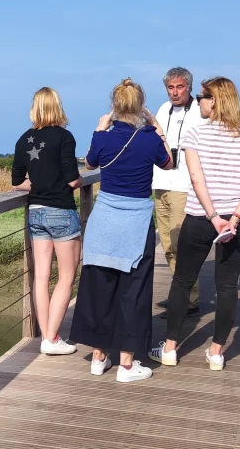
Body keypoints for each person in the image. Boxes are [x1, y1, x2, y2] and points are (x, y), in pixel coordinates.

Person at [70, 79, 173, 382]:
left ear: (114, 106)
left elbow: (89, 164)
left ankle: (99, 357)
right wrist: (157, 126)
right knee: (133, 293)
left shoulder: (104, 137)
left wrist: (100, 129)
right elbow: (168, 164)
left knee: (100, 289)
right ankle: (127, 365)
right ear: (141, 106)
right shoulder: (149, 137)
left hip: (104, 221)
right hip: (136, 223)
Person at [149, 77, 240, 371]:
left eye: (202, 97)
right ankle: (217, 353)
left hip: (200, 219)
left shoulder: (195, 134)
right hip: (238, 222)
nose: (198, 102)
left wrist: (213, 216)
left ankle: (169, 348)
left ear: (215, 101)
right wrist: (233, 218)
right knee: (228, 286)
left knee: (182, 281)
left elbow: (196, 180)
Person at [12, 87, 83, 355]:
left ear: (35, 108)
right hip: (61, 211)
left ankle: (46, 336)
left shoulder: (23, 139)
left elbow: (17, 182)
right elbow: (73, 178)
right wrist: (73, 182)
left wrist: (37, 183)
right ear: (57, 106)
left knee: (41, 277)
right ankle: (51, 339)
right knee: (66, 277)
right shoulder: (65, 137)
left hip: (36, 211)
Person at [152, 67, 206, 316]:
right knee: (166, 245)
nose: (175, 92)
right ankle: (180, 294)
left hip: (184, 186)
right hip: (160, 183)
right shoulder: (163, 109)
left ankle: (188, 299)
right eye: (171, 87)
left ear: (189, 87)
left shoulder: (200, 111)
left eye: (179, 87)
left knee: (179, 244)